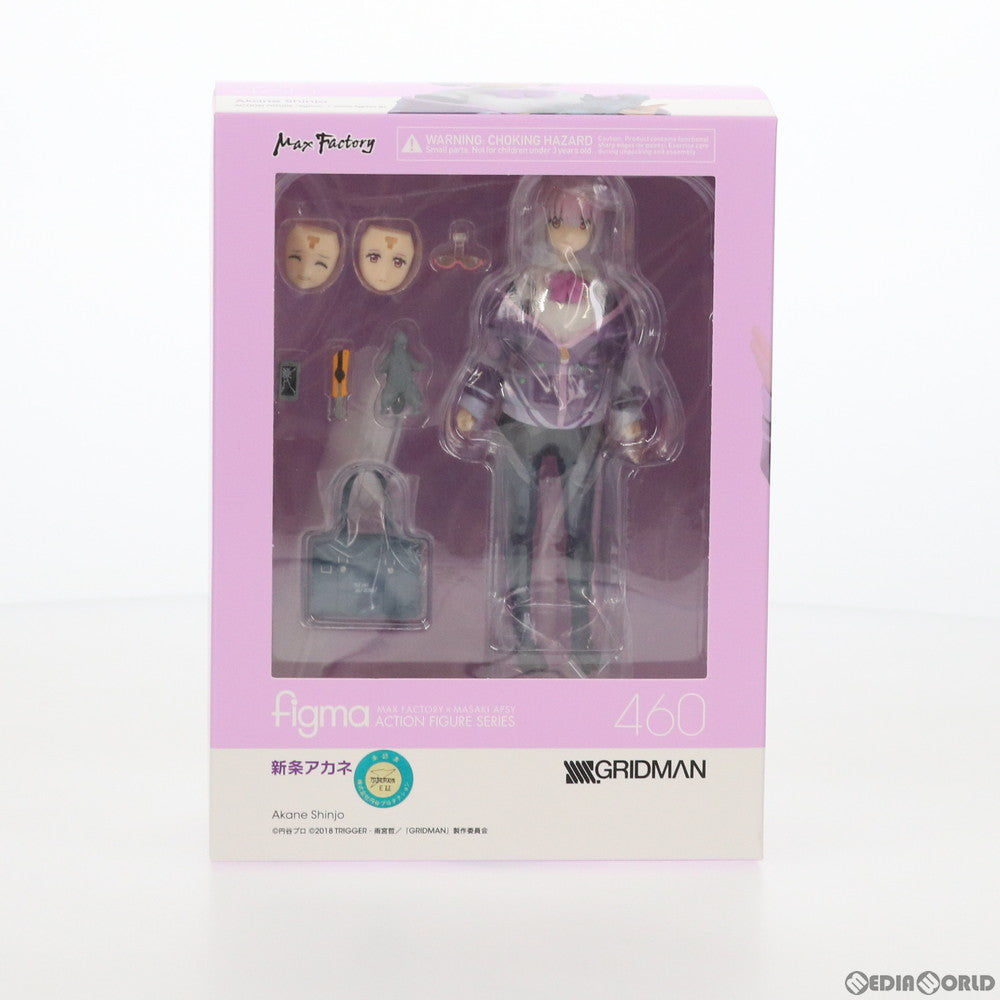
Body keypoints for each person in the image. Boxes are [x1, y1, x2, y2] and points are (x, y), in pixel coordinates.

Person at [445, 176, 683, 670]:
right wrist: (473, 404)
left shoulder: (612, 302)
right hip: (521, 421)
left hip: (585, 426)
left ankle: (583, 633)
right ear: (541, 224)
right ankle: (521, 638)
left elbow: (624, 368)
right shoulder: (516, 296)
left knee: (581, 534)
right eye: (559, 222)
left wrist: (628, 418)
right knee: (518, 530)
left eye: (581, 224)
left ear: (597, 229)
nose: (569, 234)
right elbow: (493, 358)